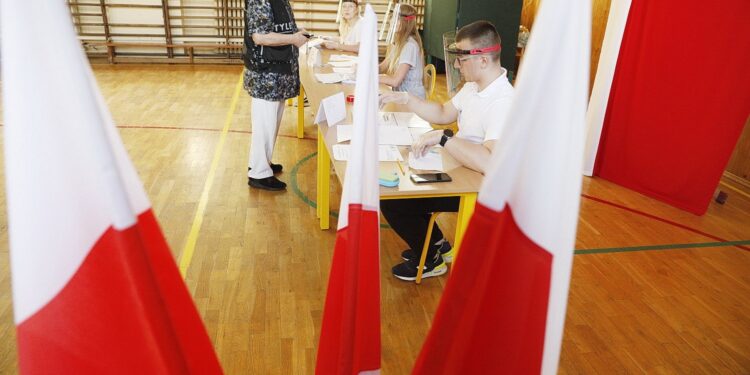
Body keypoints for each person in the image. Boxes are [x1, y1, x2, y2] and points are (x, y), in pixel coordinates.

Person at [378, 20, 514, 281]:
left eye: (461, 58)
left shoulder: (503, 102)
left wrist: (444, 139)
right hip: (460, 167)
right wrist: (407, 99)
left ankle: (429, 259)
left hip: (479, 186)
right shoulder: (474, 87)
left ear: (483, 60)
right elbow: (442, 113)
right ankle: (437, 243)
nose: (455, 65)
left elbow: (489, 162)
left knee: (393, 199)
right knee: (403, 180)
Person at [243, 0, 308, 191]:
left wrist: (295, 32)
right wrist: (293, 39)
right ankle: (259, 173)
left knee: (269, 124)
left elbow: (277, 27)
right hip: (266, 74)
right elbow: (260, 37)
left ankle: (261, 162)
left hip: (277, 74)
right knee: (264, 124)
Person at [378, 4, 426, 99]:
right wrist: (366, 70)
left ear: (405, 22)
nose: (391, 23)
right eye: (391, 20)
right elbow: (383, 66)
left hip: (412, 100)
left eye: (396, 20)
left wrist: (371, 77)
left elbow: (395, 81)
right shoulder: (399, 43)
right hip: (401, 96)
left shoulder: (410, 46)